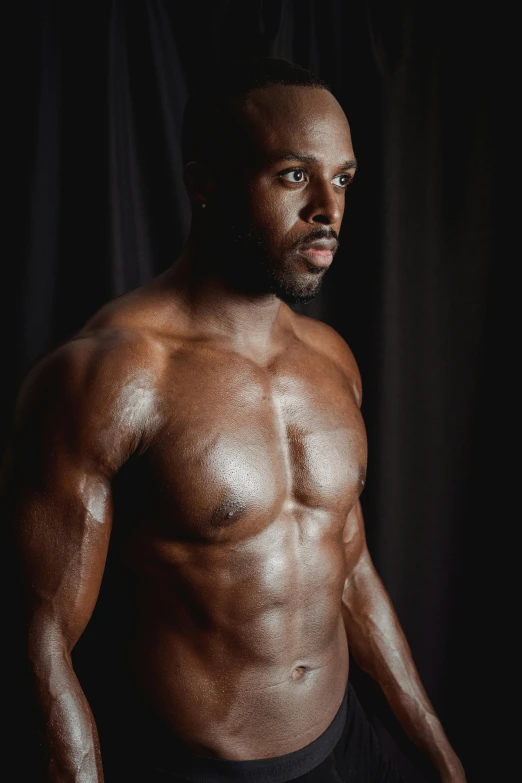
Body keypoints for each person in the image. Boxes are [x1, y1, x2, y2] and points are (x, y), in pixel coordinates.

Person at [2, 57, 466, 783]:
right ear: (205, 182)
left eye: (342, 178)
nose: (328, 209)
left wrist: (437, 751)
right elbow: (37, 636)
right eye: (293, 175)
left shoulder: (332, 359)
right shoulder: (110, 375)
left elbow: (350, 566)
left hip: (345, 748)